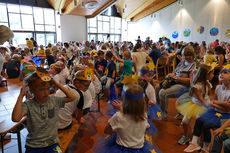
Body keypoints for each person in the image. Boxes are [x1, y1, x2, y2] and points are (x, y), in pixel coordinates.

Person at [12, 69, 76, 153]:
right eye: (41, 89)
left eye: (48, 88)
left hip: (52, 143)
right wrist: (21, 95)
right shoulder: (28, 105)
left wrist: (57, 84)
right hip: (33, 145)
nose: (46, 92)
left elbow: (72, 97)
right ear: (31, 90)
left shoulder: (53, 100)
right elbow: (16, 118)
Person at [95, 83, 160, 153]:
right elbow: (132, 115)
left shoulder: (118, 116)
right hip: (140, 148)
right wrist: (121, 108)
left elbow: (107, 131)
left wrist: (120, 129)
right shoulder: (144, 115)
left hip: (121, 149)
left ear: (124, 101)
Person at [184, 64, 230, 153]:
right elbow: (215, 100)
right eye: (220, 72)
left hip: (225, 115)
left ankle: (205, 147)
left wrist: (215, 103)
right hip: (216, 111)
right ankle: (194, 143)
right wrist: (216, 103)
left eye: (225, 72)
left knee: (205, 124)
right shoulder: (218, 87)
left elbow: (227, 108)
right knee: (200, 119)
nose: (221, 74)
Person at [176, 64, 214, 145]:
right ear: (206, 75)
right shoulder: (197, 86)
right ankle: (185, 136)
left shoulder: (208, 84)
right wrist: (208, 104)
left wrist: (211, 102)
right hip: (195, 105)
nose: (213, 75)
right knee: (185, 121)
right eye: (212, 73)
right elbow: (200, 98)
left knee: (202, 123)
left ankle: (201, 139)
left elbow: (209, 95)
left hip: (204, 106)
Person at [156, 46, 195, 120]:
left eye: (189, 55)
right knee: (158, 87)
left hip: (184, 86)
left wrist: (176, 77)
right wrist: (170, 75)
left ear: (193, 55)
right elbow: (175, 72)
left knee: (162, 92)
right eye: (186, 55)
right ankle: (159, 110)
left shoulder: (194, 65)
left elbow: (191, 81)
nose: (187, 57)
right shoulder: (182, 62)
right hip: (175, 82)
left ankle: (163, 114)